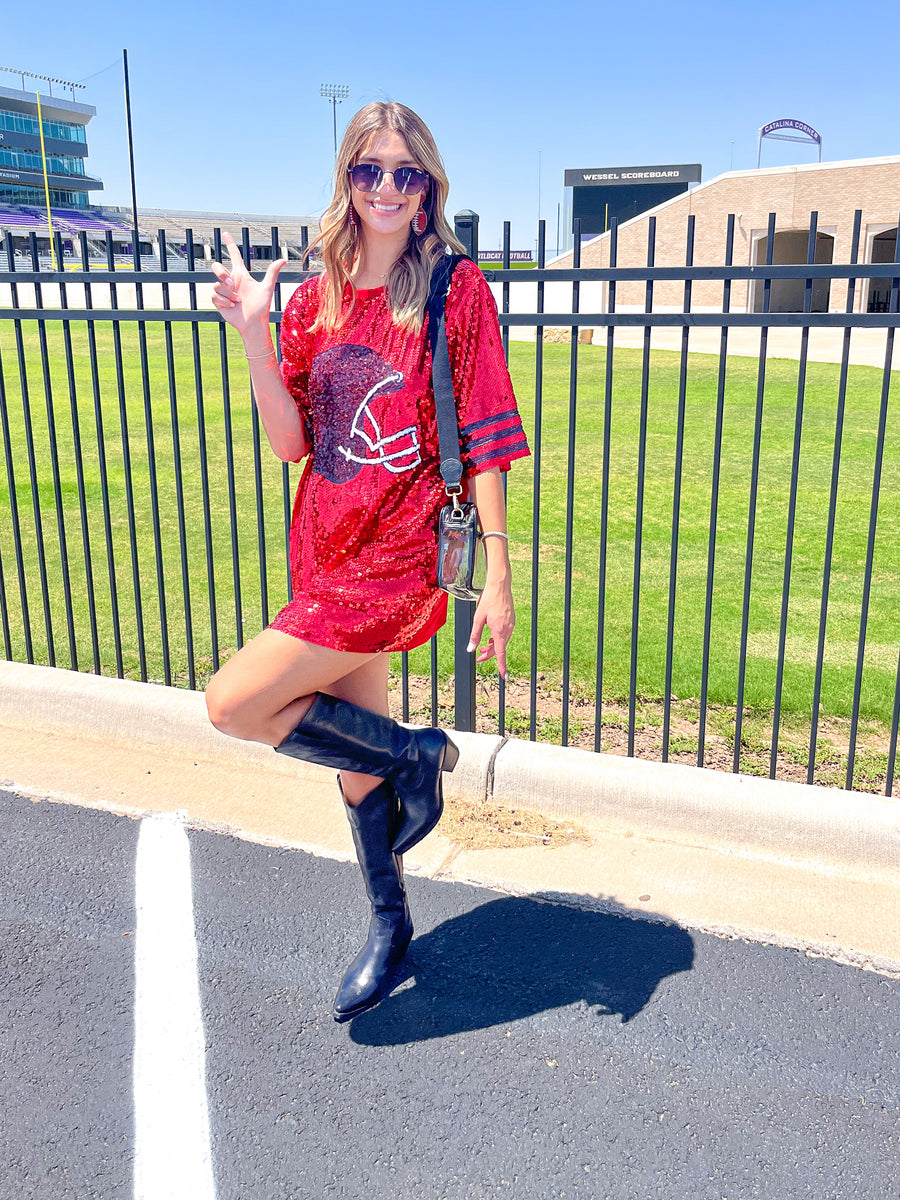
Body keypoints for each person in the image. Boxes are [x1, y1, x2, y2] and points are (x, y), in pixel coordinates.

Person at [204, 101, 529, 1023]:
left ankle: (420, 757)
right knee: (355, 766)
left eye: (405, 172)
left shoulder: (455, 291)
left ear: (428, 186)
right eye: (369, 171)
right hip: (326, 548)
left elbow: (491, 432)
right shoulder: (312, 300)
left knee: (234, 703)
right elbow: (289, 442)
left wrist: (497, 565)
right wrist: (258, 339)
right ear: (346, 181)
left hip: (398, 556)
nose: (387, 188)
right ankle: (391, 928)